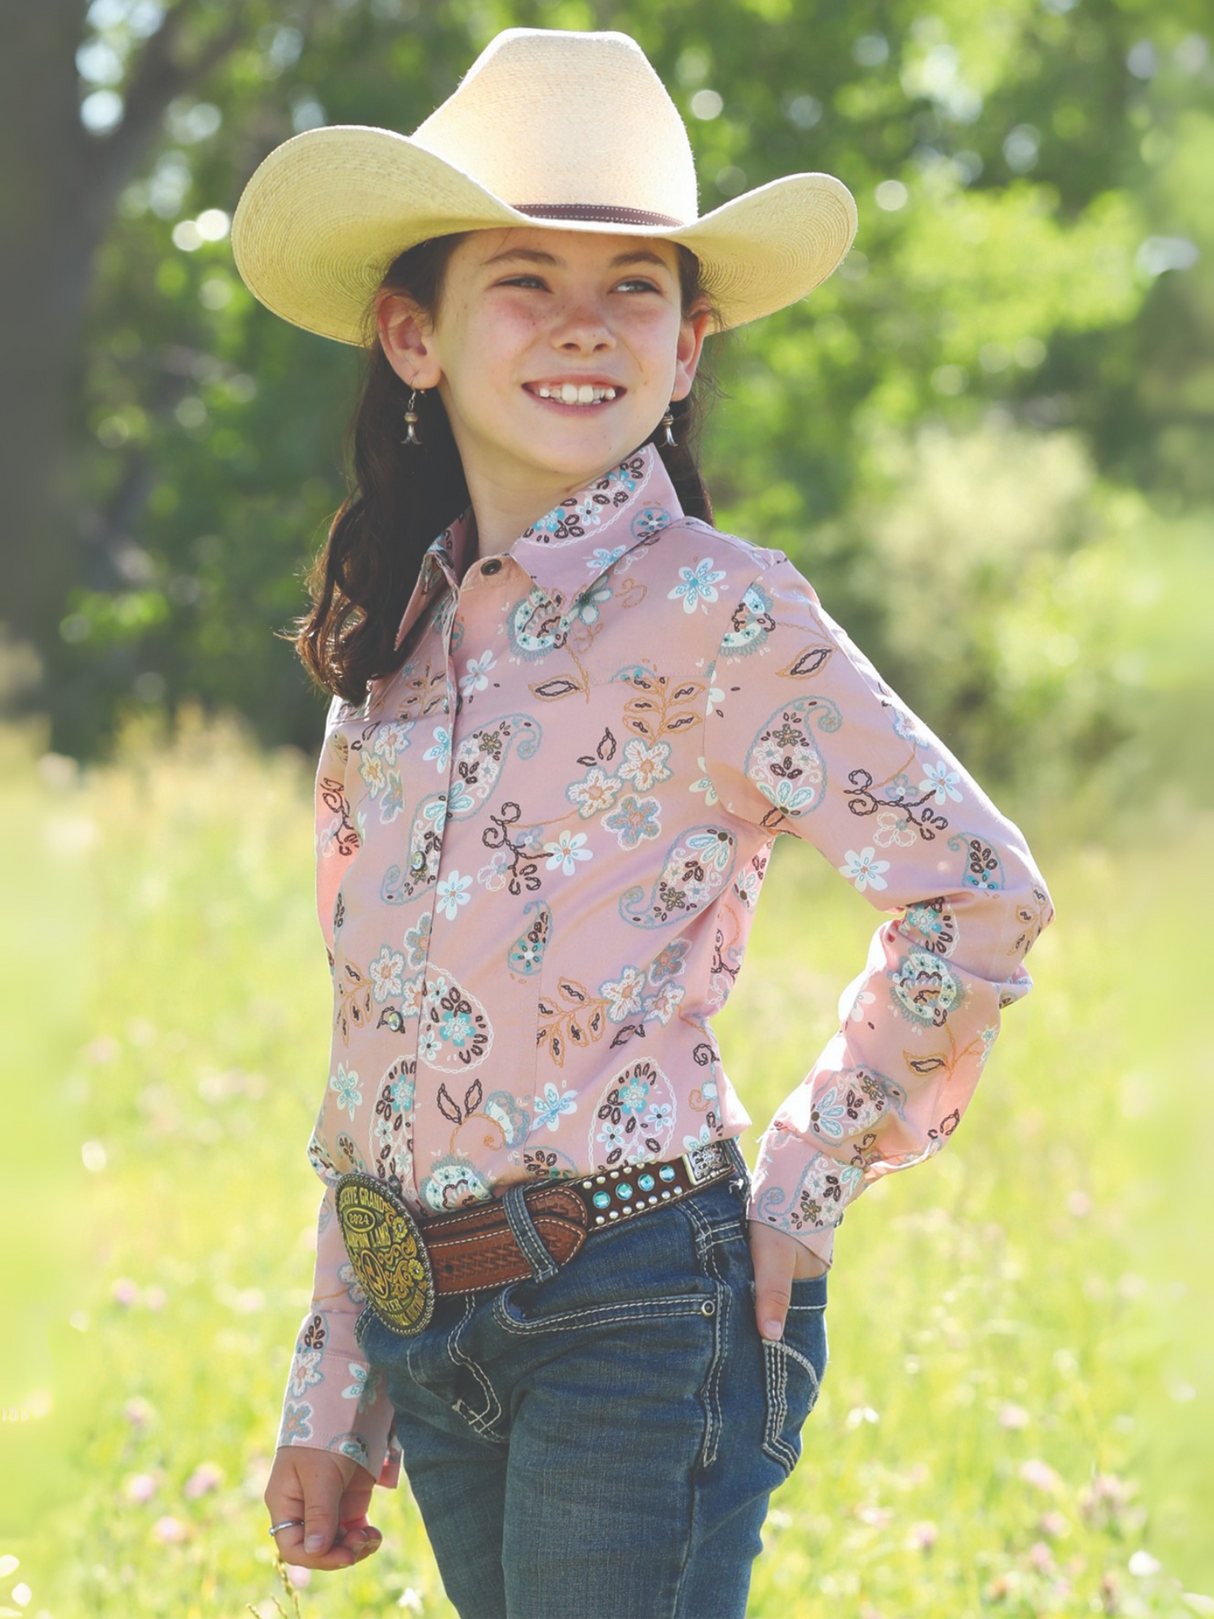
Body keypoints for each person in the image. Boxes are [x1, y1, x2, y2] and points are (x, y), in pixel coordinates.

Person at [231, 27, 1054, 1619]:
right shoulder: (389, 653)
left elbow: (976, 889)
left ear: (685, 350)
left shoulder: (718, 610)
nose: (584, 326)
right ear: (415, 334)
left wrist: (806, 1183)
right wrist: (335, 1390)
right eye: (525, 280)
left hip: (634, 1306)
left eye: (636, 289)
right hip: (432, 1322)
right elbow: (376, 1044)